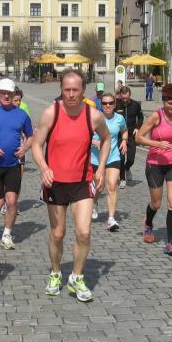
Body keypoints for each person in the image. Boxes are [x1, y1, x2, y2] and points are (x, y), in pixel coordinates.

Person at [31, 68, 110, 302]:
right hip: (55, 183)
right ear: (61, 90)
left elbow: (107, 138)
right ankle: (56, 273)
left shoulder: (93, 115)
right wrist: (44, 168)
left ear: (83, 90)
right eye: (67, 90)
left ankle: (77, 276)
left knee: (84, 232)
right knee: (58, 234)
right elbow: (36, 144)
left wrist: (101, 167)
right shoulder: (51, 113)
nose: (71, 94)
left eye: (76, 89)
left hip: (82, 182)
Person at [135, 83, 172, 256]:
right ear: (163, 101)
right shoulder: (156, 116)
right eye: (169, 103)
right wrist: (157, 144)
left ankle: (170, 243)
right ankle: (148, 223)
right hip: (155, 164)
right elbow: (139, 137)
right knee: (156, 203)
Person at [0, 79, 34, 249]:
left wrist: (25, 147)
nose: (6, 96)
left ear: (14, 94)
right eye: (3, 93)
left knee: (11, 202)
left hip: (13, 165)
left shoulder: (21, 114)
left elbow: (31, 136)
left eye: (9, 93)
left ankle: (7, 235)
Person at [90, 92, 127, 232]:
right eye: (105, 103)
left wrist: (124, 140)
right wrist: (94, 142)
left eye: (111, 103)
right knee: (99, 187)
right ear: (101, 105)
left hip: (113, 157)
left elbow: (124, 131)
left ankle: (111, 219)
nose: (108, 106)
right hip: (96, 158)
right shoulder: (95, 118)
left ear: (115, 104)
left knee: (111, 185)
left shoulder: (119, 118)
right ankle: (94, 203)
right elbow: (84, 135)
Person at [115, 86, 143, 188]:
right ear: (120, 96)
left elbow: (141, 117)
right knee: (121, 158)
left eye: (127, 98)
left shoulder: (135, 105)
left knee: (131, 159)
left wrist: (137, 127)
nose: (125, 100)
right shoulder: (116, 104)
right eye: (123, 98)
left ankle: (127, 168)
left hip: (131, 135)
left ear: (130, 95)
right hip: (120, 135)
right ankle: (122, 179)